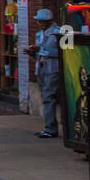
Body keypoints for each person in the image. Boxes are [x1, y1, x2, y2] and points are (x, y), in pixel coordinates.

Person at [27, 8, 63, 138]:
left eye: (43, 21)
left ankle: (50, 128)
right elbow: (40, 53)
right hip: (41, 68)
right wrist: (33, 53)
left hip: (53, 69)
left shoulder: (59, 32)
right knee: (47, 97)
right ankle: (50, 125)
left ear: (49, 21)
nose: (40, 24)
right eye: (39, 21)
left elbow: (65, 52)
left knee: (49, 97)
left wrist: (41, 50)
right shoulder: (39, 34)